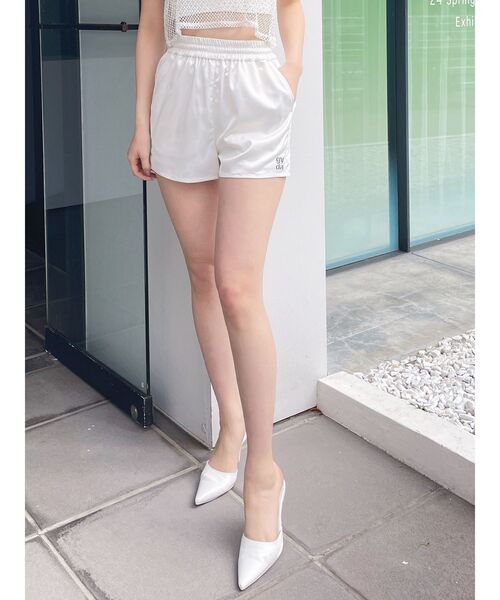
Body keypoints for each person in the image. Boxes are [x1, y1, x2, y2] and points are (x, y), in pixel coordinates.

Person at [127, 0, 304, 590]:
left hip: (253, 86)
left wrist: (291, 71)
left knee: (237, 285)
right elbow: (152, 23)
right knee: (202, 272)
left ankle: (264, 476)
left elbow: (292, 6)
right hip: (179, 87)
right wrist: (141, 122)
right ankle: (231, 429)